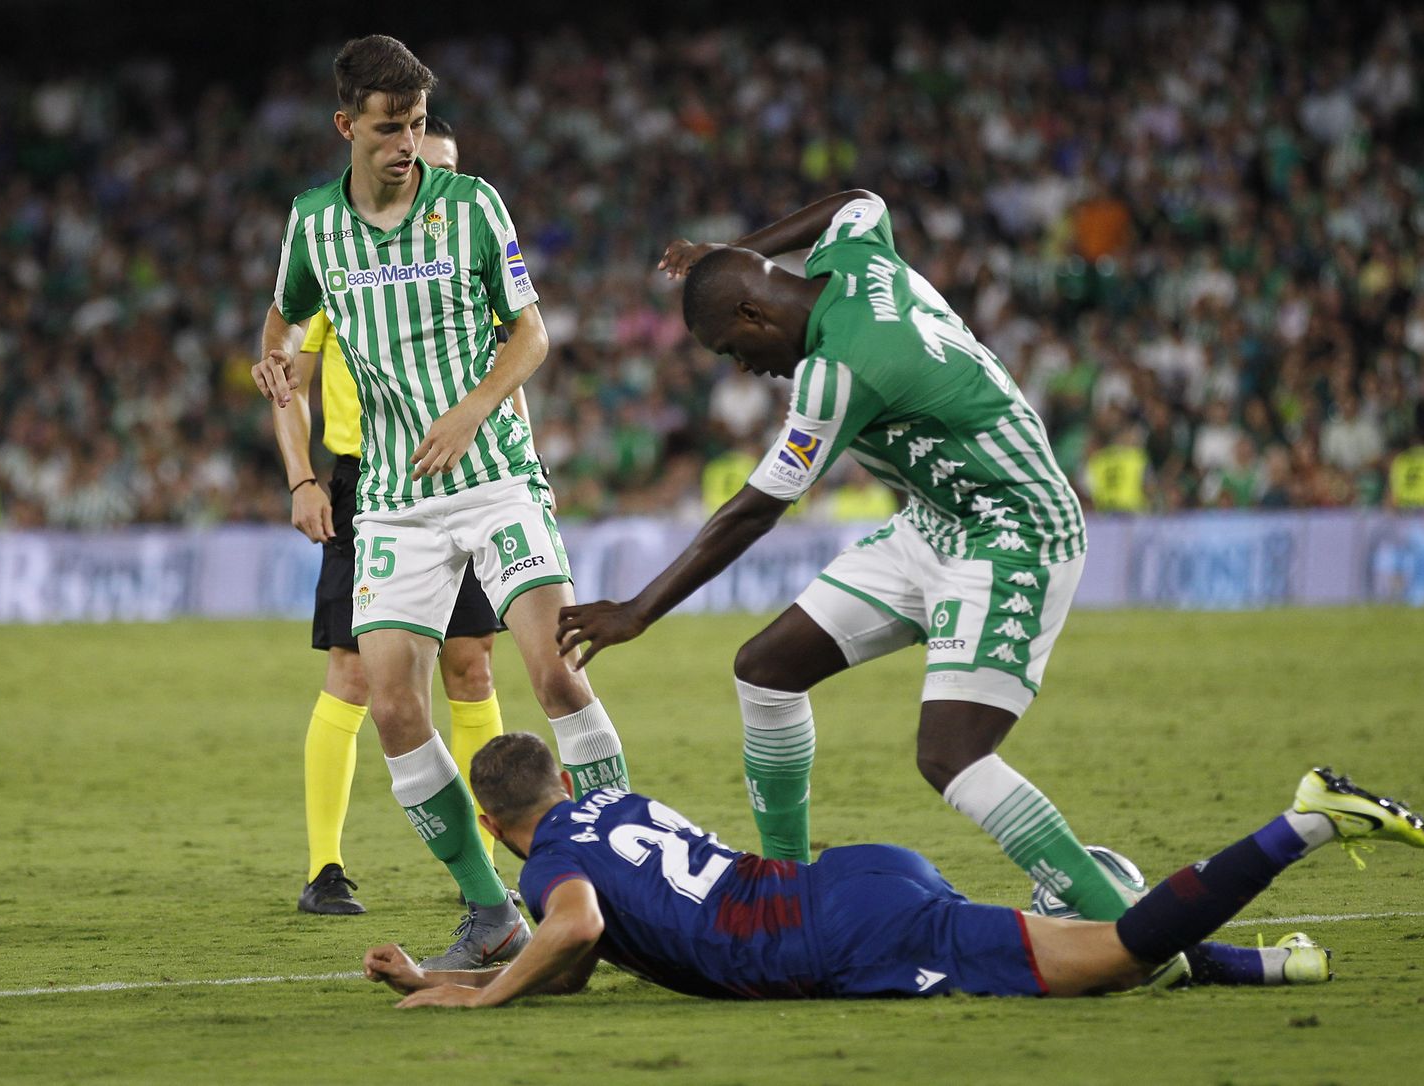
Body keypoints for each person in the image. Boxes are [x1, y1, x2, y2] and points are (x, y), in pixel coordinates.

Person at [556, 190, 1137, 929]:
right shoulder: (858, 257)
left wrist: (639, 609)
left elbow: (756, 509)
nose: (744, 368)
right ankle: (789, 896)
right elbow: (859, 201)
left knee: (951, 755)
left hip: (1013, 531)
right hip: (934, 524)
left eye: (735, 351)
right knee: (766, 670)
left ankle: (1122, 925)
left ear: (755, 316)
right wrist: (732, 252)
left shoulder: (838, 374)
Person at [252, 35, 631, 967]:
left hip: (494, 474)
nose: (407, 146)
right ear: (348, 126)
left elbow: (533, 335)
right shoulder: (313, 225)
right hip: (389, 495)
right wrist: (279, 376)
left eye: (418, 125)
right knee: (388, 704)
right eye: (389, 129)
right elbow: (282, 324)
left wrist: (469, 411)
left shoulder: (470, 207)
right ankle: (490, 909)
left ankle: (627, 868)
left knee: (548, 671)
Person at [363, 732, 1424, 1007]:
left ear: (501, 827)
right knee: (1078, 953)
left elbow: (577, 933)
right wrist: (442, 980)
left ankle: (1302, 822)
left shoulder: (549, 856)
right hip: (850, 879)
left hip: (844, 936)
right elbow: (581, 966)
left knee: (1108, 957)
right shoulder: (612, 801)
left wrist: (475, 1002)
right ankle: (1270, 969)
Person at [273, 116, 524, 916]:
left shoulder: (466, 247)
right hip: (369, 483)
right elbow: (289, 370)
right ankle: (324, 869)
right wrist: (302, 478)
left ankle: (484, 862)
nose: (423, 173)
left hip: (472, 474)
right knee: (353, 678)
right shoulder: (341, 250)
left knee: (472, 668)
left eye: (440, 161)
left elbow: (513, 360)